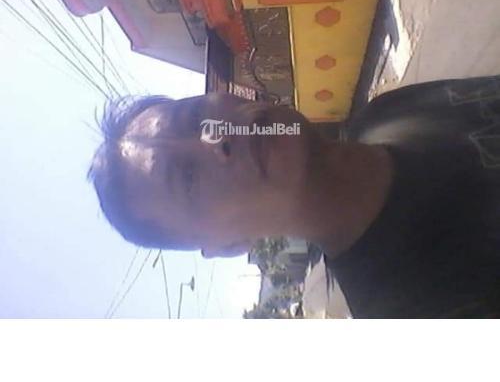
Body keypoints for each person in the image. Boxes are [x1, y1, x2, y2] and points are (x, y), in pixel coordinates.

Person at [88, 75, 500, 318]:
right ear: (228, 246)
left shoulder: (389, 112)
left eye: (196, 116)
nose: (216, 137)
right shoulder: (422, 312)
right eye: (189, 178)